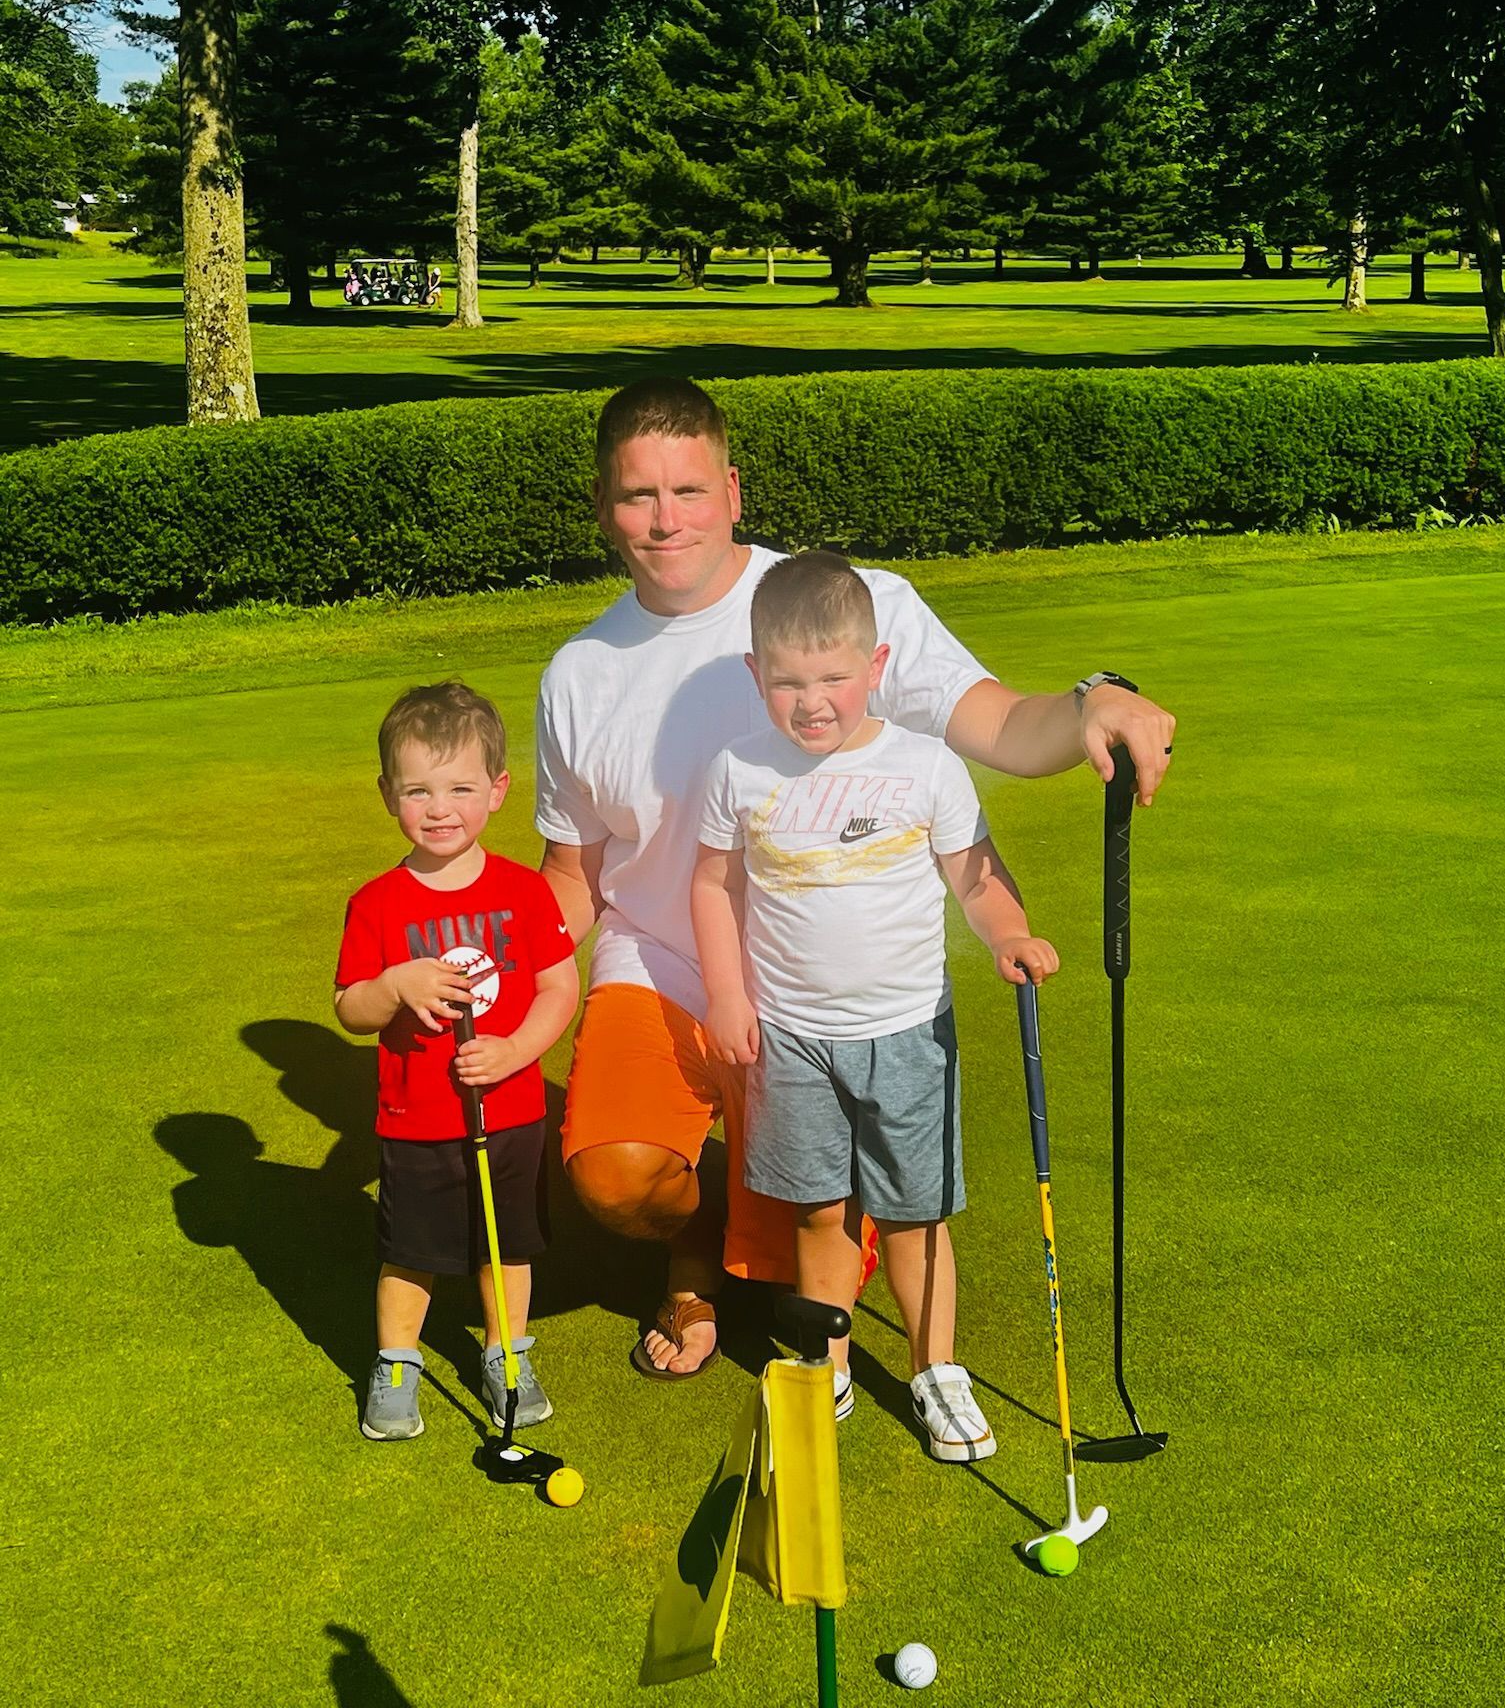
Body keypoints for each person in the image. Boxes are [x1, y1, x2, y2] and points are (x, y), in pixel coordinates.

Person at [536, 378, 1175, 1381]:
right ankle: (694, 1251)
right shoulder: (577, 671)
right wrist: (495, 959)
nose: (666, 520)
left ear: (734, 490)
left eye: (690, 490)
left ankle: (781, 1225)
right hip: (660, 961)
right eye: (637, 495)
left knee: (817, 1241)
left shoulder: (844, 605)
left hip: (815, 994)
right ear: (602, 505)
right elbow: (573, 870)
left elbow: (1002, 722)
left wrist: (1097, 700)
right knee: (616, 1176)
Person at [692, 552, 1057, 1460]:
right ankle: (831, 1359)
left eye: (834, 678)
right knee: (818, 1211)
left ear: (876, 669)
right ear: (756, 676)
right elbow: (711, 886)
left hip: (907, 1033)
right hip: (792, 1036)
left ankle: (935, 1371)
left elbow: (974, 878)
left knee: (914, 1213)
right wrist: (728, 993)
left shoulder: (926, 767)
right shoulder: (737, 770)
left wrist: (1008, 934)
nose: (812, 700)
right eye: (787, 681)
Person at [336, 681, 579, 1441]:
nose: (440, 808)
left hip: (511, 1114)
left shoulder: (525, 892)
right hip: (417, 1120)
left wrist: (515, 1051)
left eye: (460, 788)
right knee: (413, 1253)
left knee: (504, 1247)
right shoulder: (377, 903)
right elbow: (349, 1009)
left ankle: (507, 1354)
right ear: (387, 796)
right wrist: (392, 987)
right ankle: (397, 1362)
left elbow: (557, 989)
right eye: (418, 790)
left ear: (498, 790)